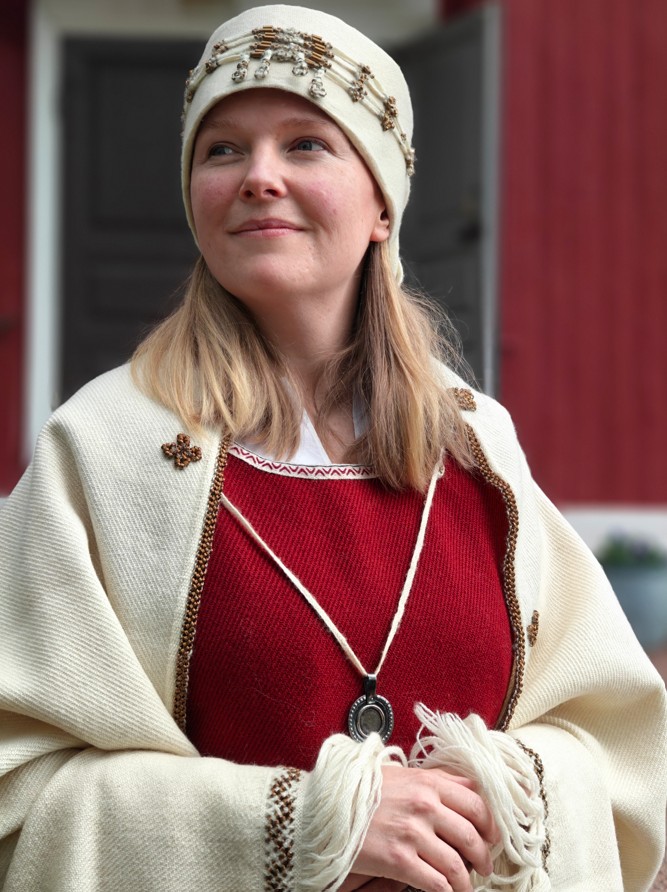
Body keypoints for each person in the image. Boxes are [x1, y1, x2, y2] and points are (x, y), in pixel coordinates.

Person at [0, 5, 665, 891]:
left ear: (382, 203)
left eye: (305, 144)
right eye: (221, 150)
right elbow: (23, 787)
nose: (257, 176)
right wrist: (310, 825)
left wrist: (504, 791)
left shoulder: (475, 446)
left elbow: (613, 740)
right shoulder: (102, 451)